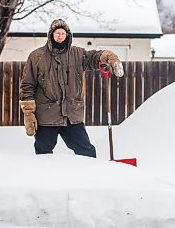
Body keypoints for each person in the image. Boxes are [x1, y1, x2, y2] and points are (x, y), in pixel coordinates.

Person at [19, 18, 124, 157]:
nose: (60, 36)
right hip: (47, 116)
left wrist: (107, 56)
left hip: (72, 115)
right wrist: (28, 113)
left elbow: (93, 57)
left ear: (68, 35)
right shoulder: (37, 57)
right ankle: (43, 177)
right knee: (43, 152)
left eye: (63, 33)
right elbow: (27, 85)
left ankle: (90, 176)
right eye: (57, 33)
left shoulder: (77, 54)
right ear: (51, 35)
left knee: (86, 151)